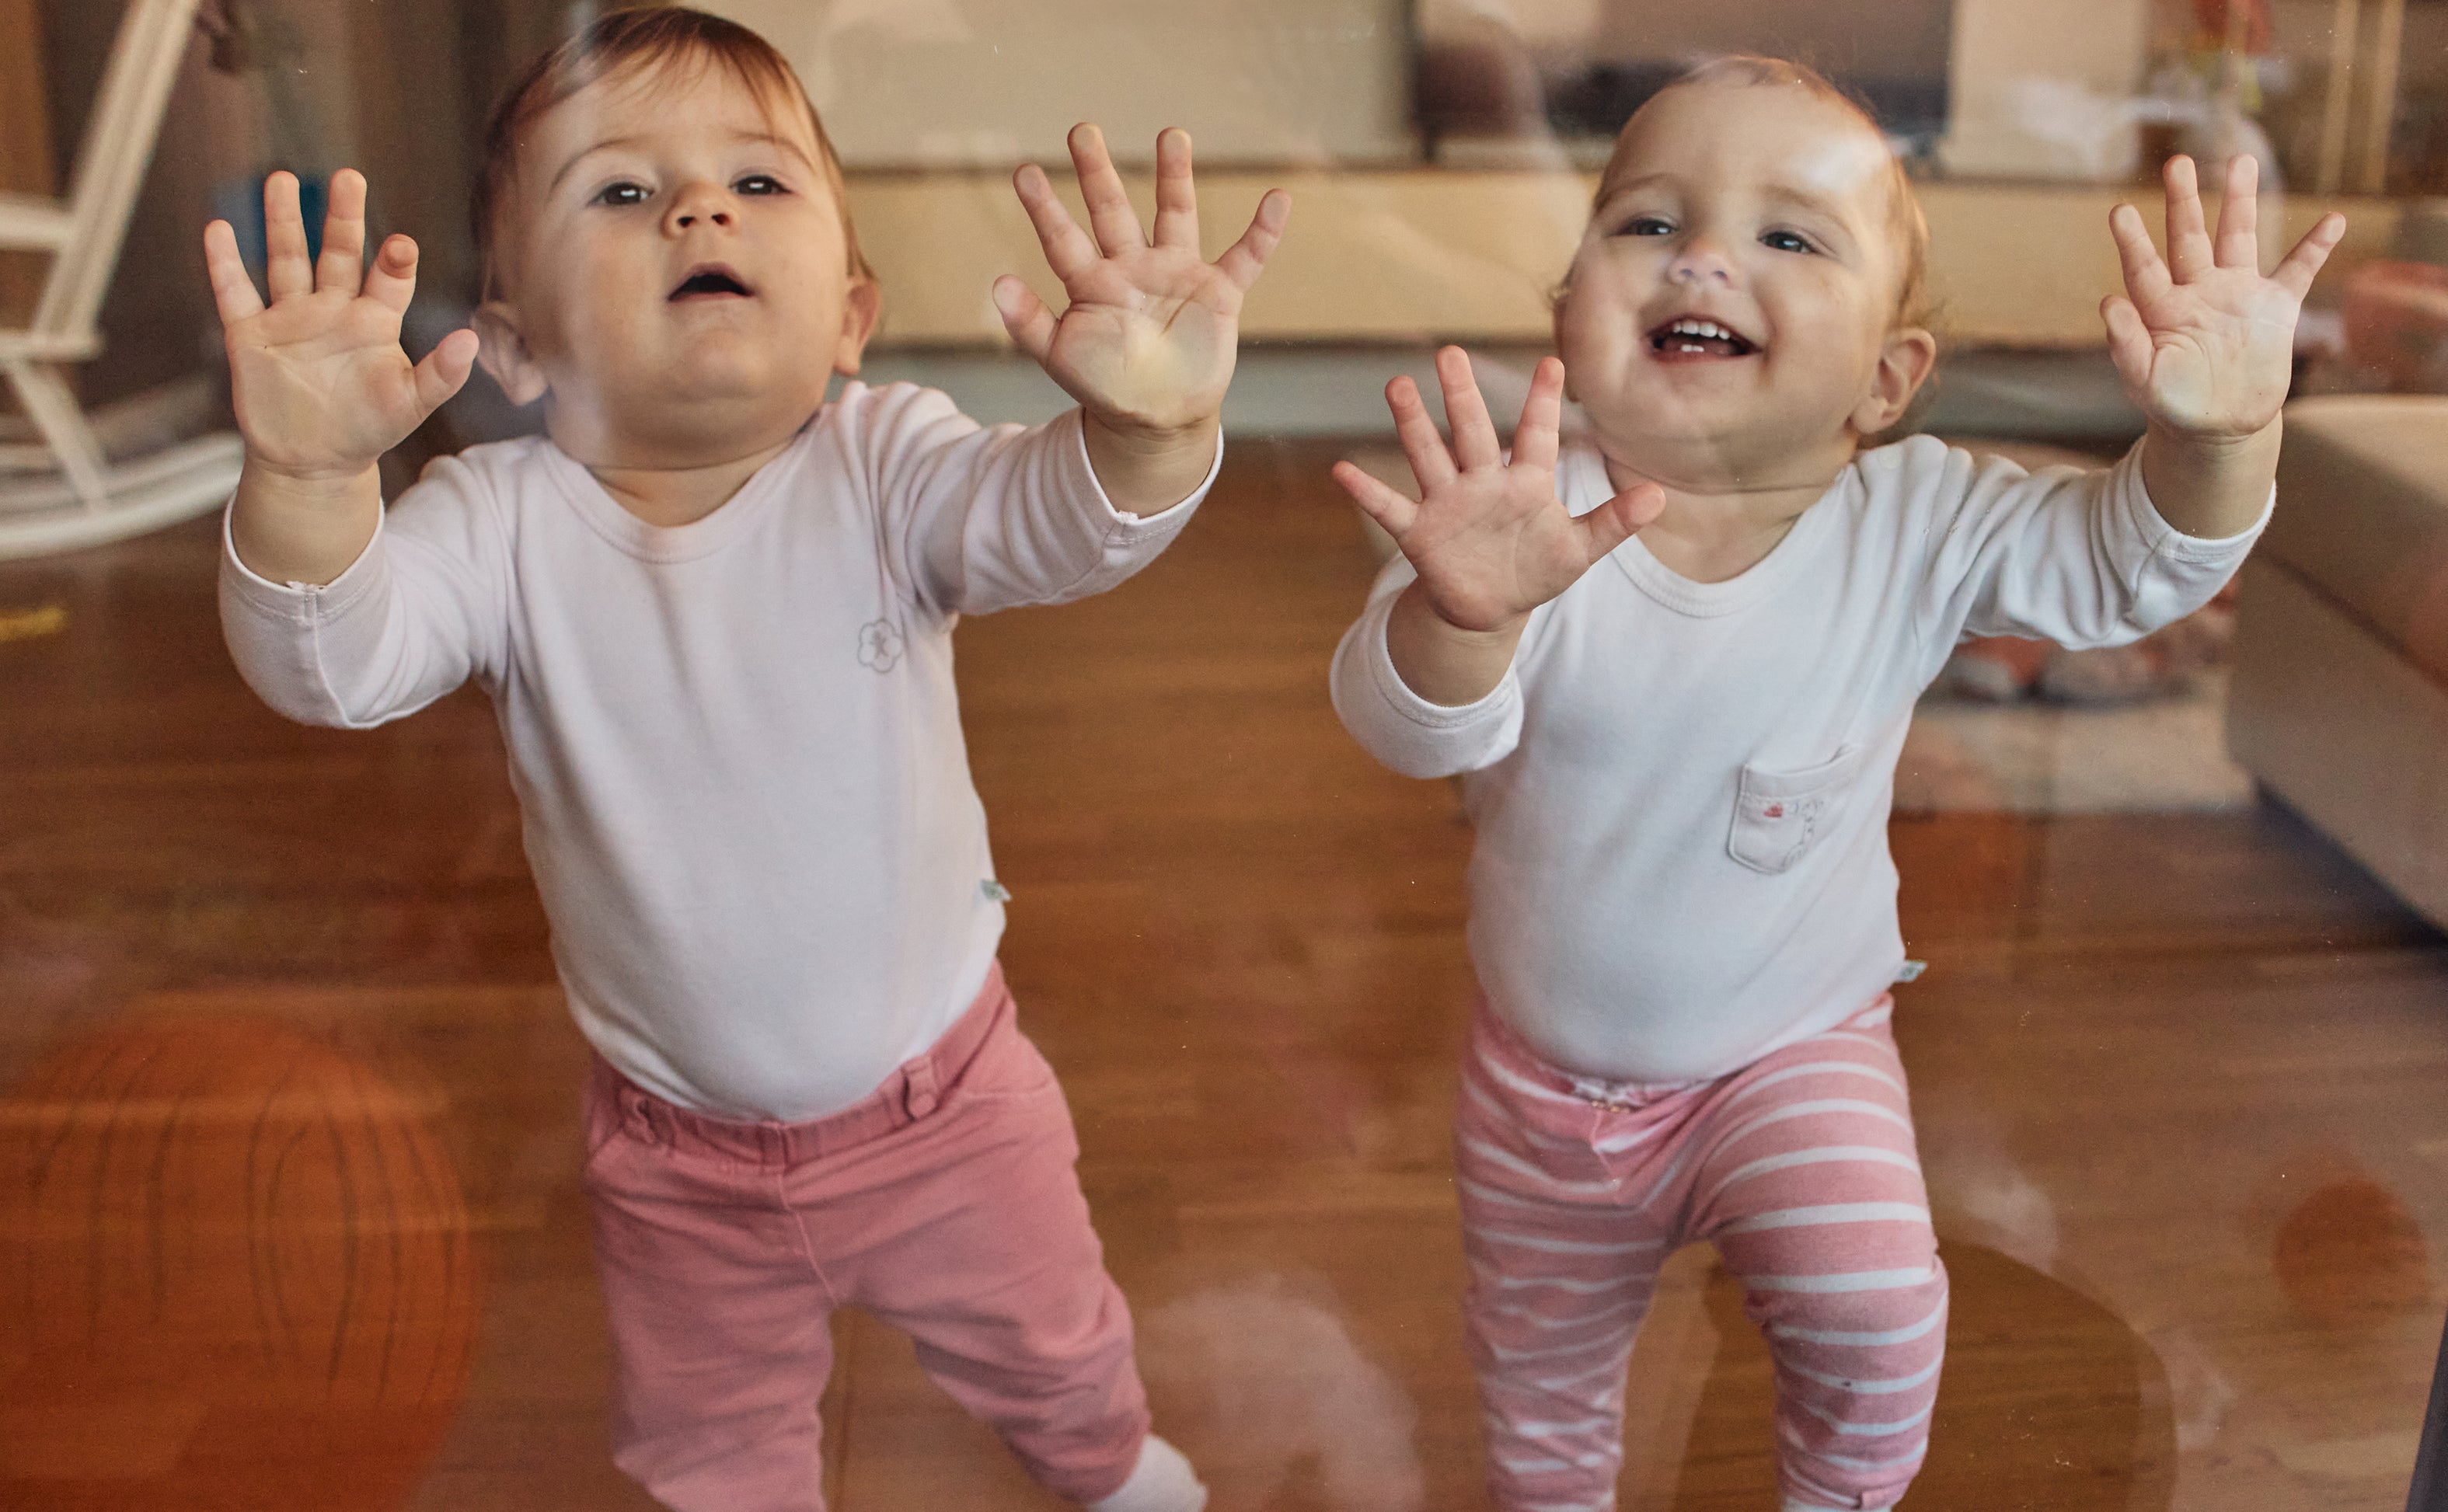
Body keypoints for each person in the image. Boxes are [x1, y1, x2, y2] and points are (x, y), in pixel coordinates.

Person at [206, 10, 1287, 1511]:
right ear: (513, 346)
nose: (699, 210)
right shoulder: (497, 521)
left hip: (949, 1110)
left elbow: (1062, 520)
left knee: (1056, 1354)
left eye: (756, 185)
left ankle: (1111, 1473)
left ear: (847, 316)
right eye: (621, 192)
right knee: (711, 1455)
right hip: (677, 1163)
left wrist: (1154, 427)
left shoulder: (883, 464)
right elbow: (333, 665)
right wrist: (310, 486)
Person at [1327, 54, 2338, 1512]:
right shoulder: (1519, 522)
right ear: (1565, 309)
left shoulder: (1916, 516)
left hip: (1789, 1049)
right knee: (1539, 1391)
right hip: (1542, 1085)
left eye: (1790, 236)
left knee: (1874, 1303)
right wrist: (1458, 619)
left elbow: (2132, 566)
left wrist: (2219, 436)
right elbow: (1410, 732)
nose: (1707, 256)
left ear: (1886, 379)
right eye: (1646, 224)